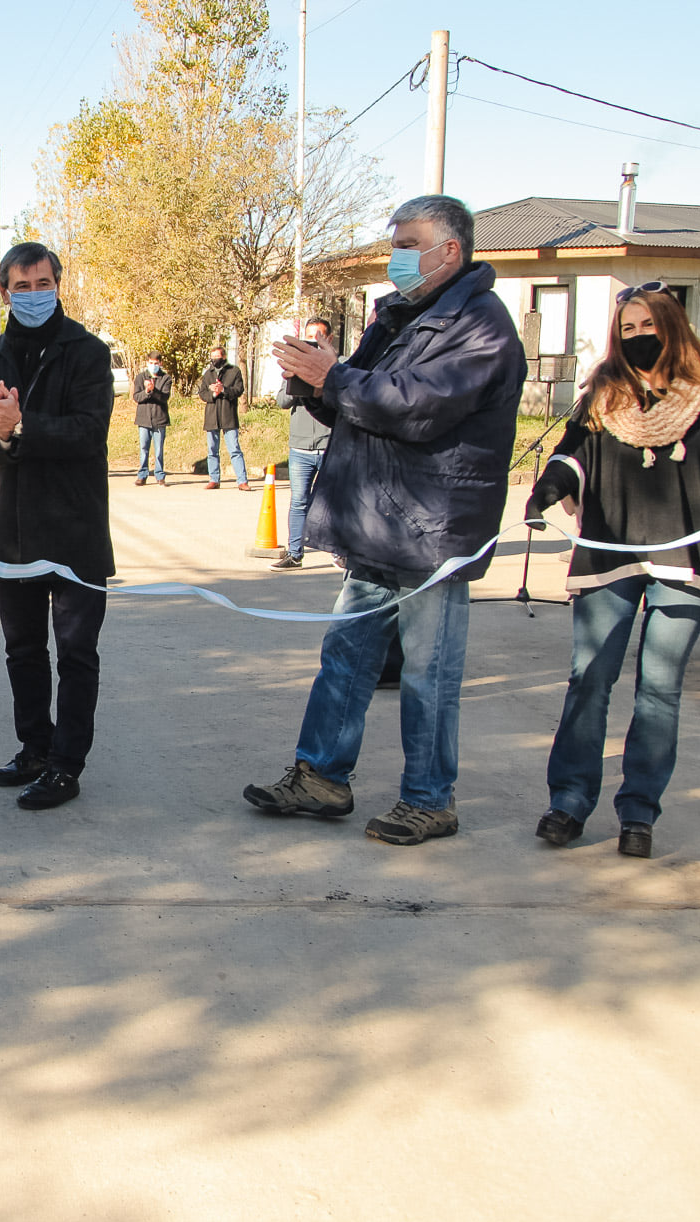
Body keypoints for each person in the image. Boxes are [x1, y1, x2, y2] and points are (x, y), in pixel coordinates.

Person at [244, 194, 525, 845]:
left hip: (435, 534)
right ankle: (320, 775)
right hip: (377, 523)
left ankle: (429, 798)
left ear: (448, 250)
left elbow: (415, 407)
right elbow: (358, 404)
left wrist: (334, 377)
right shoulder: (396, 316)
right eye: (394, 242)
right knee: (345, 656)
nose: (396, 254)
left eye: (407, 242)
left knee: (427, 672)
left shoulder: (482, 325)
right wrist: (313, 382)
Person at [524, 285, 700, 858]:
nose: (637, 338)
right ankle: (569, 803)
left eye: (646, 326)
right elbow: (571, 455)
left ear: (671, 326)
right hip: (611, 557)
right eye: (626, 330)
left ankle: (638, 814)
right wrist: (548, 490)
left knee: (658, 689)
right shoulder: (603, 397)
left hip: (687, 560)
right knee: (590, 680)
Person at [0, 242, 116, 810]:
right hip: (15, 532)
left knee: (76, 653)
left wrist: (22, 424)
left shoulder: (88, 353)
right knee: (22, 650)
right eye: (20, 287)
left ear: (58, 284)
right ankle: (34, 747)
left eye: (42, 284)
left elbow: (89, 433)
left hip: (75, 529)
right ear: (4, 291)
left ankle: (66, 766)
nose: (32, 296)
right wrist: (0, 435)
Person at [271, 317, 336, 567]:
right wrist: (296, 382)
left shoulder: (338, 367)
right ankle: (295, 553)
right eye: (308, 336)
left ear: (328, 339)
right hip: (300, 448)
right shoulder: (294, 366)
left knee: (333, 503)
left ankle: (338, 552)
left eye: (318, 336)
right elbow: (281, 402)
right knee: (299, 501)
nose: (313, 341)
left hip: (329, 445)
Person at [197, 344, 248, 489]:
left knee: (234, 449)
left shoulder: (234, 371)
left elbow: (238, 390)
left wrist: (223, 390)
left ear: (224, 357)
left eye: (217, 357)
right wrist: (213, 393)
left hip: (228, 415)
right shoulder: (208, 374)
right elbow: (202, 393)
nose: (214, 360)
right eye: (212, 358)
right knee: (212, 450)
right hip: (212, 416)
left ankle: (242, 480)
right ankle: (214, 479)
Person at [130, 351, 172, 486]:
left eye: (156, 363)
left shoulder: (165, 378)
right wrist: (147, 391)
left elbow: (164, 397)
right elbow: (137, 397)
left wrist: (154, 390)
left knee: (159, 449)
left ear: (160, 363)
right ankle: (142, 474)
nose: (153, 365)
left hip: (159, 418)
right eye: (151, 363)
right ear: (147, 363)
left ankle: (160, 475)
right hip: (144, 419)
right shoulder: (140, 377)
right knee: (144, 448)